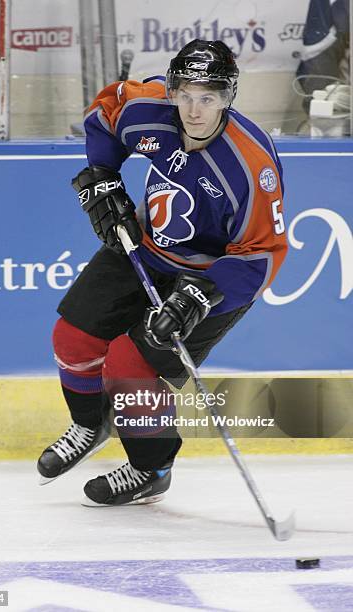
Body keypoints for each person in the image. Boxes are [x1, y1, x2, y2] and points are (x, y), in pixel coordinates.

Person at [37, 39, 288, 506]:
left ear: (228, 97)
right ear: (172, 89)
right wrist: (104, 177)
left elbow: (263, 253)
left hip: (209, 281)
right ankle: (92, 424)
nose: (195, 110)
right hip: (146, 247)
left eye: (208, 97)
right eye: (186, 94)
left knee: (130, 367)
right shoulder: (146, 108)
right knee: (72, 338)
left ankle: (150, 468)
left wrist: (202, 295)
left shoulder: (251, 166)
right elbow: (104, 116)